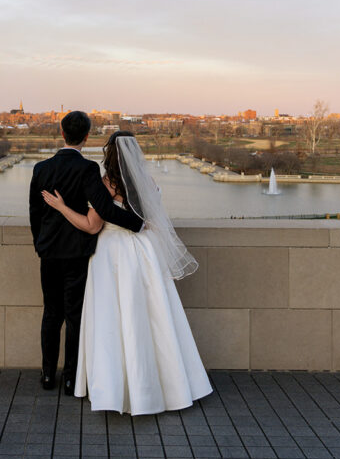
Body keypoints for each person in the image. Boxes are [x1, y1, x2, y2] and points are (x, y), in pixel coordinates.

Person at [41, 131, 212, 415]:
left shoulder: (107, 184)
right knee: (153, 318)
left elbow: (91, 226)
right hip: (145, 252)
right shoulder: (149, 183)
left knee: (112, 319)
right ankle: (166, 387)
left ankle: (115, 388)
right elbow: (151, 220)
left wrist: (61, 207)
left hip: (112, 255)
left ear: (109, 154)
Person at [28, 111, 144, 395]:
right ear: (87, 136)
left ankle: (47, 375)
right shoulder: (87, 169)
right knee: (74, 315)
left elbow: (34, 213)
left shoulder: (41, 169)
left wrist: (40, 243)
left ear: (61, 132)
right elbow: (104, 209)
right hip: (78, 253)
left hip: (49, 253)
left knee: (51, 313)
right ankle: (70, 379)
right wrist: (138, 223)